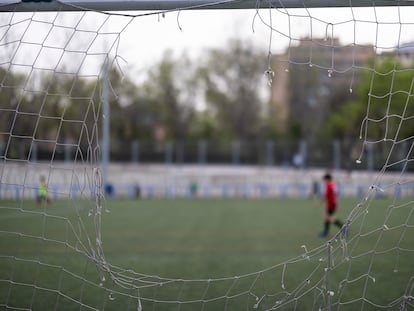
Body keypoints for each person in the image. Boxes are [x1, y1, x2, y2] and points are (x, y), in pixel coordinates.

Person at [318, 173, 343, 237]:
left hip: (331, 204)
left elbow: (325, 196)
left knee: (328, 217)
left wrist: (319, 203)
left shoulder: (329, 185)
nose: (324, 181)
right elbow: (335, 195)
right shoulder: (333, 184)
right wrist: (337, 204)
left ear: (327, 179)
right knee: (326, 217)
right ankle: (326, 232)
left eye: (324, 180)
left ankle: (343, 227)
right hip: (331, 203)